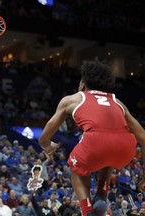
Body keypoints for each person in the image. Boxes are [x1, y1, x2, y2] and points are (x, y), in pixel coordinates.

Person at [38, 58, 145, 216]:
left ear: (82, 83)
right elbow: (143, 136)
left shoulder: (73, 99)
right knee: (109, 158)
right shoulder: (118, 102)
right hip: (126, 147)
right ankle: (102, 192)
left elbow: (44, 135)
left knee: (75, 167)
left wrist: (47, 145)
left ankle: (87, 210)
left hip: (96, 143)